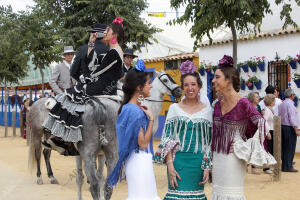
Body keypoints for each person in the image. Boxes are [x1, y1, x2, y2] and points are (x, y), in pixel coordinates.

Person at [42, 17, 124, 155]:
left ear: (113, 34)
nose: (105, 32)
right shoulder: (114, 49)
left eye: (108, 30)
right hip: (108, 85)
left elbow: (96, 72)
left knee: (67, 97)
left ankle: (62, 138)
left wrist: (83, 79)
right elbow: (112, 71)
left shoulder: (112, 51)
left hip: (101, 86)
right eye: (104, 30)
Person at [211, 55, 276, 200]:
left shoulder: (243, 104)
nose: (213, 80)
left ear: (228, 80)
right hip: (218, 158)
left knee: (231, 194)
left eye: (217, 77)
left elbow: (262, 125)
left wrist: (245, 146)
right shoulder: (216, 104)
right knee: (217, 193)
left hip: (234, 158)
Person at [154, 60, 212, 200]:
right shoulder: (174, 109)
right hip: (177, 163)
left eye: (193, 84)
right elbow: (167, 138)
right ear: (183, 87)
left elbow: (209, 142)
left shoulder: (208, 111)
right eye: (186, 85)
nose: (190, 88)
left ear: (199, 87)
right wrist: (170, 166)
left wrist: (207, 166)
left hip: (198, 165)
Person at [107, 60, 160, 200]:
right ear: (139, 87)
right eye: (148, 83)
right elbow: (142, 144)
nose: (151, 86)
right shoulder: (135, 111)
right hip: (140, 162)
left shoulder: (126, 108)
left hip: (134, 162)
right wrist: (151, 119)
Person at [278, 88, 300, 172]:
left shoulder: (282, 104)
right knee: (290, 147)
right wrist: (296, 129)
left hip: (283, 126)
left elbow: (278, 114)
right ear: (291, 95)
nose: (294, 96)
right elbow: (292, 118)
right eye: (293, 94)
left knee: (285, 147)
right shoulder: (290, 104)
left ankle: (285, 166)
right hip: (289, 127)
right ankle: (288, 166)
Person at [262, 94, 276, 174]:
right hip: (269, 131)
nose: (274, 102)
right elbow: (264, 121)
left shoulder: (270, 109)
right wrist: (267, 133)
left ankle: (269, 166)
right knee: (268, 149)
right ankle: (266, 168)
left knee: (271, 149)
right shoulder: (267, 110)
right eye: (273, 100)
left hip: (272, 130)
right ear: (271, 101)